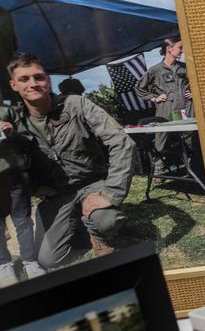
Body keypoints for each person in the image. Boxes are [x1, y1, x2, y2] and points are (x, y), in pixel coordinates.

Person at [7, 53, 135, 267]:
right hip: (58, 195)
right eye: (24, 79)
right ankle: (81, 224)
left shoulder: (76, 104)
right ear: (14, 85)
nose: (33, 84)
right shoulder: (16, 123)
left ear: (48, 80)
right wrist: (35, 187)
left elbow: (121, 142)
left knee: (105, 220)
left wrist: (112, 193)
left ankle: (101, 233)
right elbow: (17, 167)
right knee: (47, 260)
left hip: (92, 184)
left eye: (39, 77)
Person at [0, 104, 43, 286]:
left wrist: (12, 133)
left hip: (15, 175)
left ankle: (29, 261)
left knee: (23, 220)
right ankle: (3, 265)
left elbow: (29, 141)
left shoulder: (7, 111)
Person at [134, 37, 194, 166]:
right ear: (169, 49)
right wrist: (154, 97)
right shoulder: (155, 70)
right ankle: (159, 164)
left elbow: (196, 83)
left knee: (189, 138)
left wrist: (194, 92)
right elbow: (139, 87)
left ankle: (191, 165)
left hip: (184, 108)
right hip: (167, 109)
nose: (182, 51)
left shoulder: (185, 68)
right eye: (180, 47)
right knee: (161, 141)